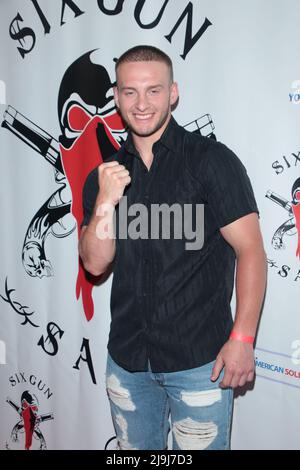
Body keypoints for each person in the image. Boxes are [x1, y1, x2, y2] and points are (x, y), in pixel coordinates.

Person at [79, 45, 267, 450]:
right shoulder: (105, 176)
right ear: (116, 97)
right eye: (130, 92)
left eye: (153, 91)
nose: (141, 104)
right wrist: (105, 201)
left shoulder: (212, 161)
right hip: (127, 362)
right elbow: (95, 264)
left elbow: (250, 251)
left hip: (200, 361)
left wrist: (244, 339)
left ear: (173, 93)